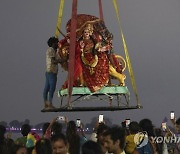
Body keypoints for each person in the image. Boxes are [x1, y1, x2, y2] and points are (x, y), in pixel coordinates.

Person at [43, 36, 60, 110]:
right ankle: (49, 103)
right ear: (53, 43)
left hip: (50, 71)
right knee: (51, 88)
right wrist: (63, 60)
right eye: (57, 43)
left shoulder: (53, 51)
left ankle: (46, 103)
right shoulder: (51, 50)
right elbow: (54, 61)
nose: (58, 44)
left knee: (47, 88)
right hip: (51, 71)